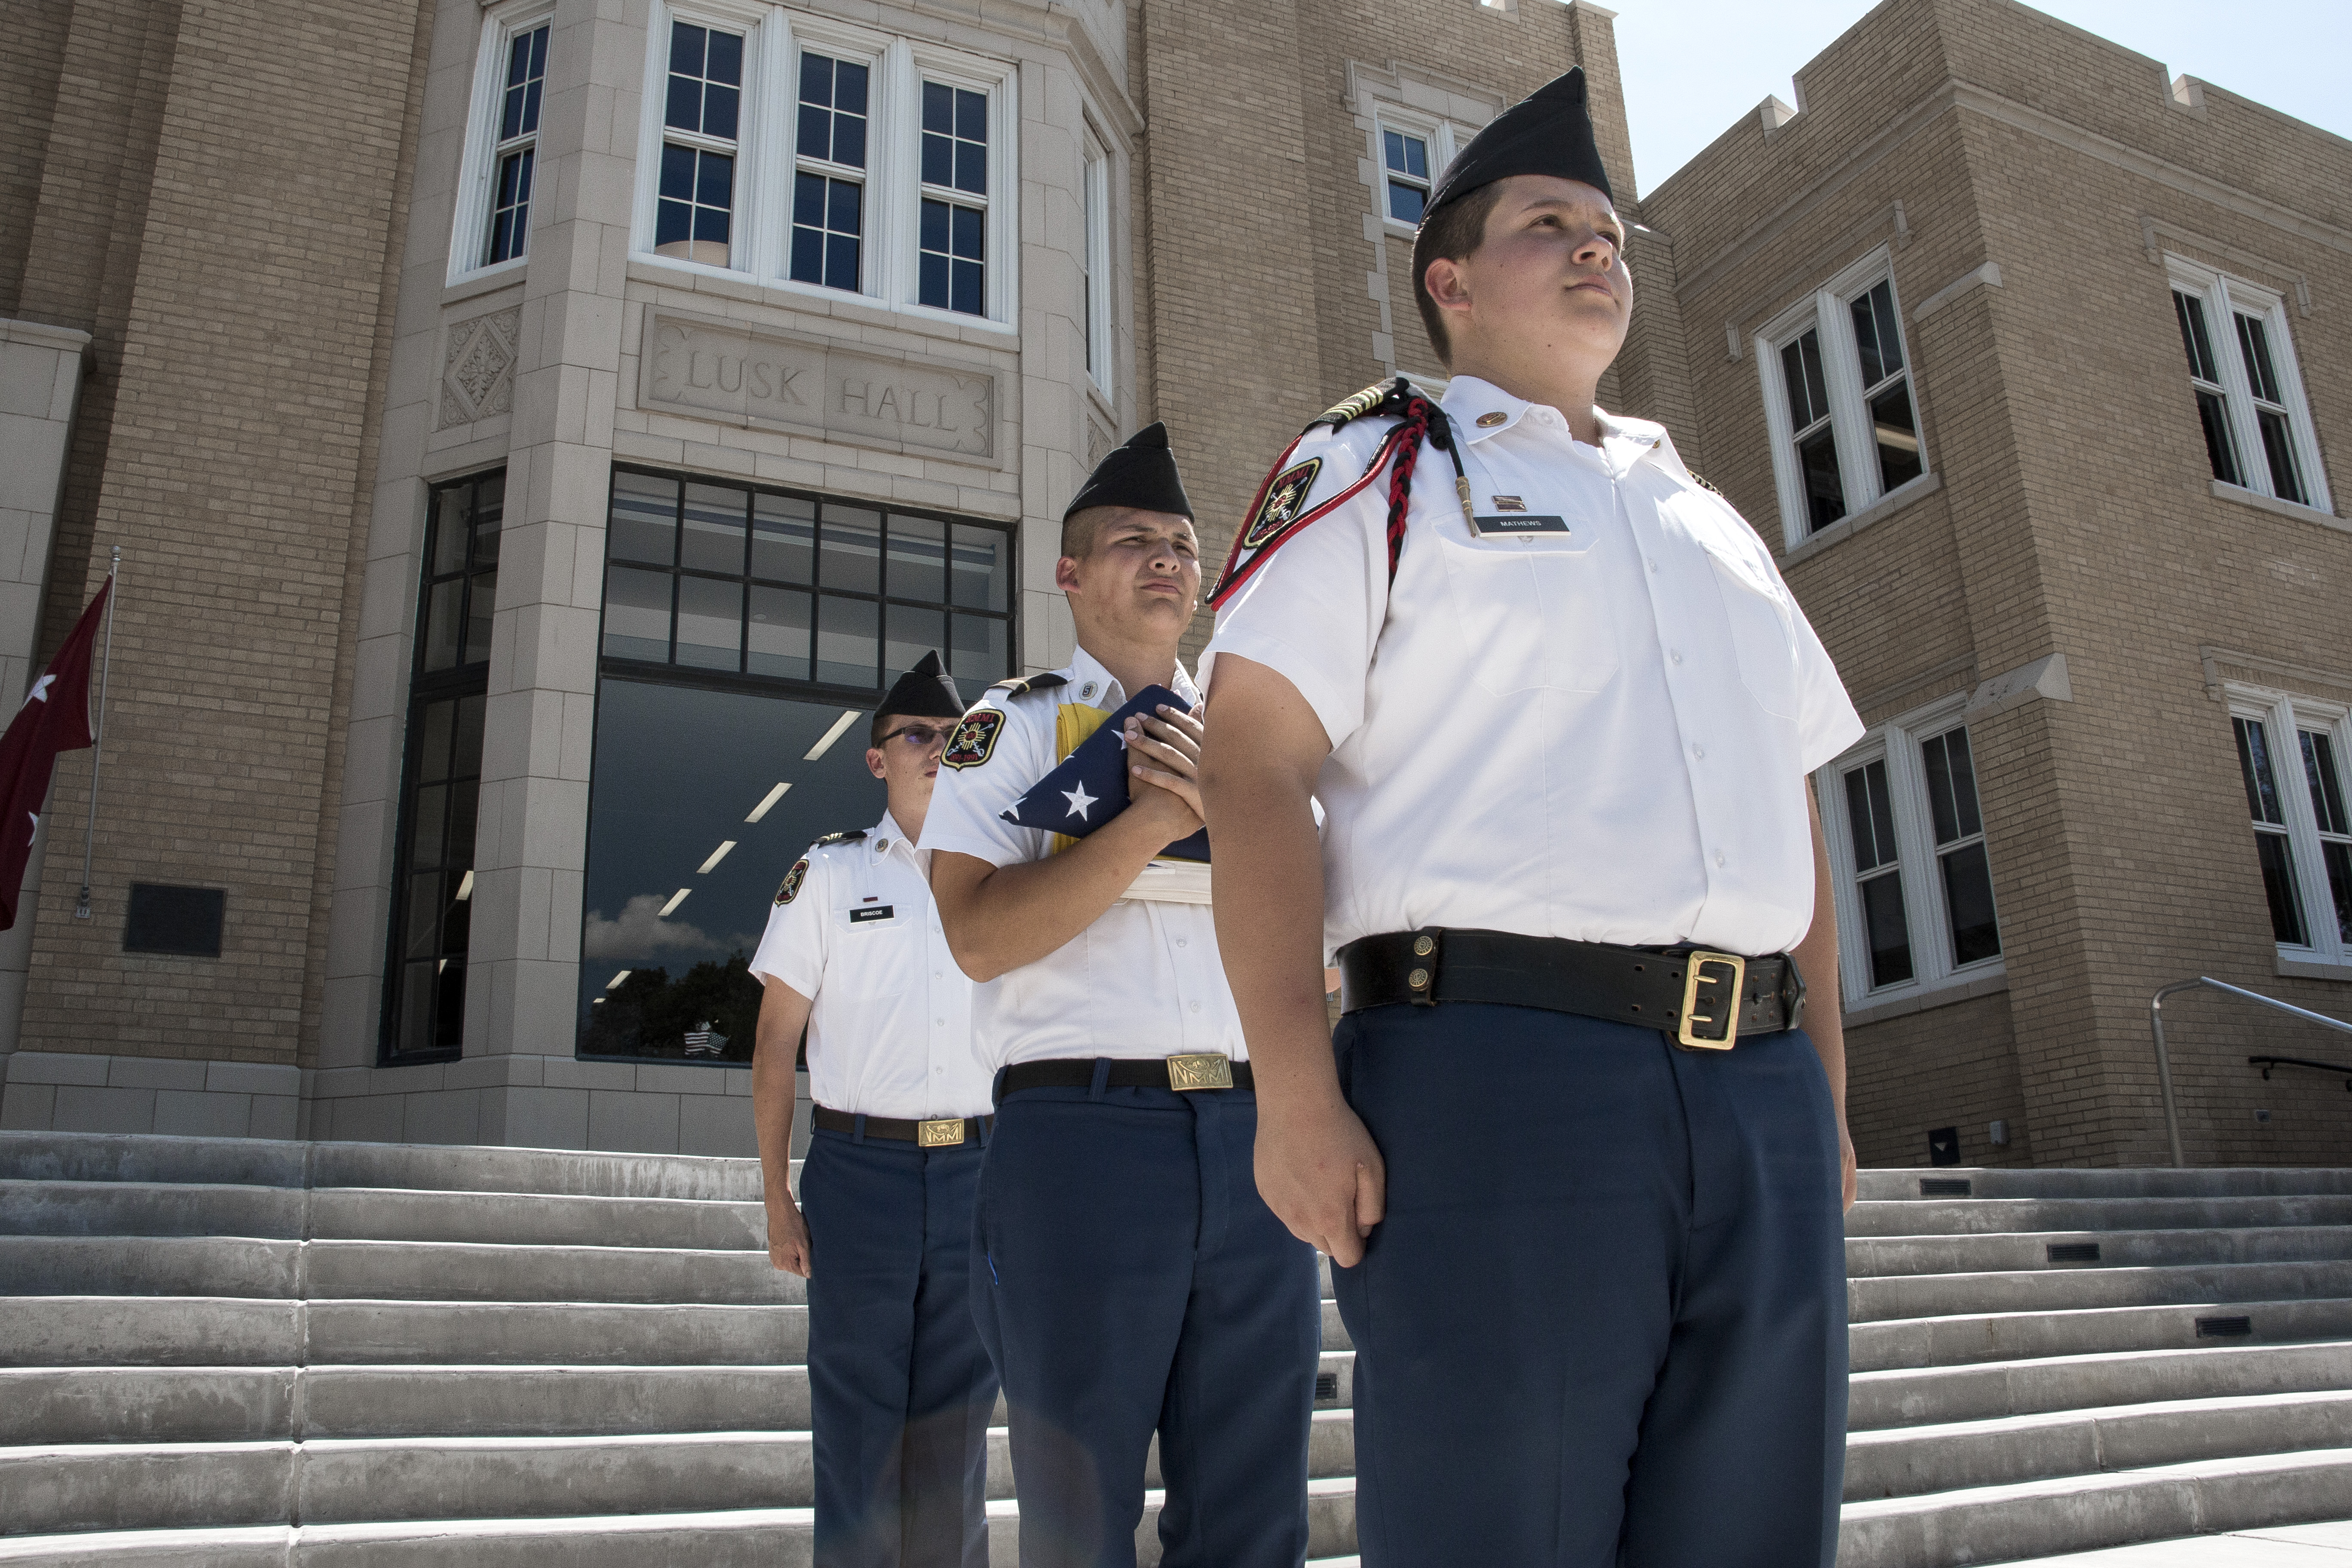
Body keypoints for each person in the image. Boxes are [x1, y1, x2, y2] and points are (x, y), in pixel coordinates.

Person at [1197, 68, 1865, 1568]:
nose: (1594, 251)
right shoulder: (1380, 460)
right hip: (1502, 1077)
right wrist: (1292, 1091)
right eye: (1549, 225)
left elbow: (1791, 809)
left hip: (1753, 1088)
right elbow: (1251, 764)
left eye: (1610, 234)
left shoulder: (1710, 516)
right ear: (1449, 279)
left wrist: (1820, 1091)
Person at [921, 424, 1321, 1568]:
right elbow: (979, 938)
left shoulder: (1258, 738)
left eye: (1184, 547)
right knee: (1076, 1509)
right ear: (1069, 574)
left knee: (1256, 1508)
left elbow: (1327, 945)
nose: (1166, 561)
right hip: (1082, 1137)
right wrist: (1153, 819)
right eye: (1134, 541)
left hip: (1253, 1131)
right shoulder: (1011, 725)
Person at [749, 650, 998, 1568]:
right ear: (876, 759)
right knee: (857, 1429)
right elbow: (777, 1044)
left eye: (956, 734)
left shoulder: (1009, 870)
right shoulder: (830, 875)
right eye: (919, 734)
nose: (940, 748)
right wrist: (778, 1199)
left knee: (957, 1436)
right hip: (862, 1175)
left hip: (978, 1168)